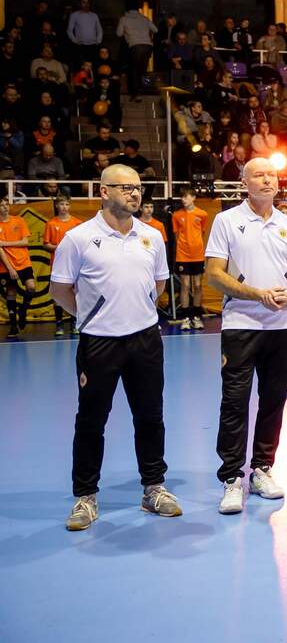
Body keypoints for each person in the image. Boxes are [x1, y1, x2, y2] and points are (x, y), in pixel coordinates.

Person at [51, 165, 180, 531]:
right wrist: (93, 316)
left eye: (138, 187)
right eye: (126, 187)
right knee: (91, 421)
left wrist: (135, 310)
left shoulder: (152, 236)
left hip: (145, 340)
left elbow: (158, 285)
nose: (135, 193)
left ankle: (153, 488)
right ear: (103, 191)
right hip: (99, 343)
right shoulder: (78, 238)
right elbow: (60, 291)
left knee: (150, 416)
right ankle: (85, 496)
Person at [205, 158, 287, 514]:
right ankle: (232, 478)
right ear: (244, 182)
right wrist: (256, 294)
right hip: (240, 325)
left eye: (272, 175)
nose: (267, 180)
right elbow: (214, 274)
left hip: (281, 327)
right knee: (234, 402)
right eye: (259, 175)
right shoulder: (226, 221)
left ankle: (262, 469)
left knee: (274, 400)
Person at [42, 196, 82, 336]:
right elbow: (46, 244)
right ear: (56, 206)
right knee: (59, 292)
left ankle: (75, 322)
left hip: (75, 264)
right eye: (61, 204)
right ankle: (59, 324)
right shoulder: (51, 223)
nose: (64, 207)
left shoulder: (77, 223)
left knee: (75, 292)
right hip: (58, 264)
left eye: (67, 204)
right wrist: (60, 248)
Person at [171, 187, 209, 330]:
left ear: (193, 197)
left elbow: (202, 232)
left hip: (198, 255)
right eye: (182, 197)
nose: (183, 199)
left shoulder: (203, 214)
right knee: (185, 286)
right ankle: (186, 318)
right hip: (182, 255)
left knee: (198, 285)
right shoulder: (176, 215)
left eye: (186, 197)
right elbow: (176, 235)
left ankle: (197, 317)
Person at [0, 195, 36, 339]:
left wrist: (5, 243)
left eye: (6, 204)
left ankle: (23, 309)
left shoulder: (19, 220)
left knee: (31, 287)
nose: (5, 207)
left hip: (23, 262)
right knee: (11, 293)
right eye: (1, 205)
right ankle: (13, 326)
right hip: (6, 265)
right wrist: (10, 268)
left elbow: (25, 242)